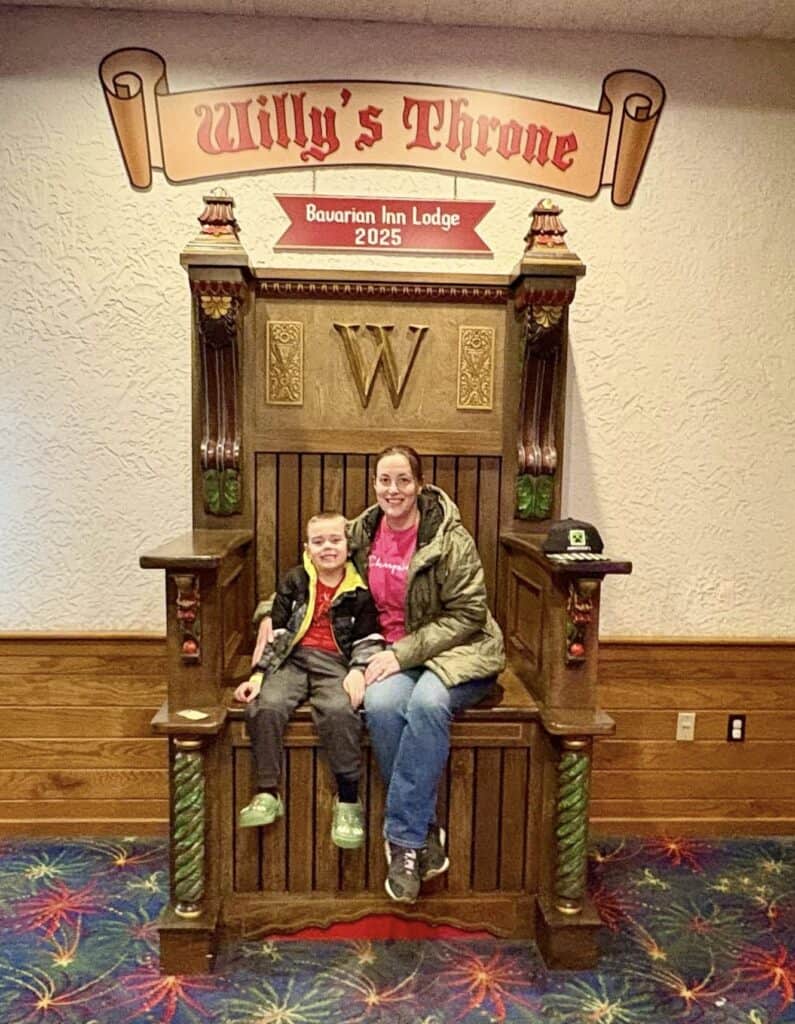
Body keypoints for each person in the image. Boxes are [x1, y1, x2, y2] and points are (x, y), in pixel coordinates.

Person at [253, 447, 505, 903]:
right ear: (374, 485)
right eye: (385, 481)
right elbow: (310, 573)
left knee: (427, 704)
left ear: (420, 485)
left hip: (456, 651)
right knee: (383, 706)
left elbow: (469, 613)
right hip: (385, 653)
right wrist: (268, 614)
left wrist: (404, 652)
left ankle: (403, 841)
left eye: (403, 481)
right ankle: (426, 830)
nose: (394, 490)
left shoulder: (450, 540)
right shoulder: (361, 532)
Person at [236, 511, 383, 849]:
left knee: (339, 711)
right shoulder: (296, 581)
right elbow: (279, 631)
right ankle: (267, 791)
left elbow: (368, 639)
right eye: (318, 542)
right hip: (293, 660)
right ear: (307, 547)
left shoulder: (359, 590)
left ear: (349, 546)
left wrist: (359, 671)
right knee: (267, 705)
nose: (327, 548)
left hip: (336, 664)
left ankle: (348, 800)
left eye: (335, 540)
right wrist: (260, 674)